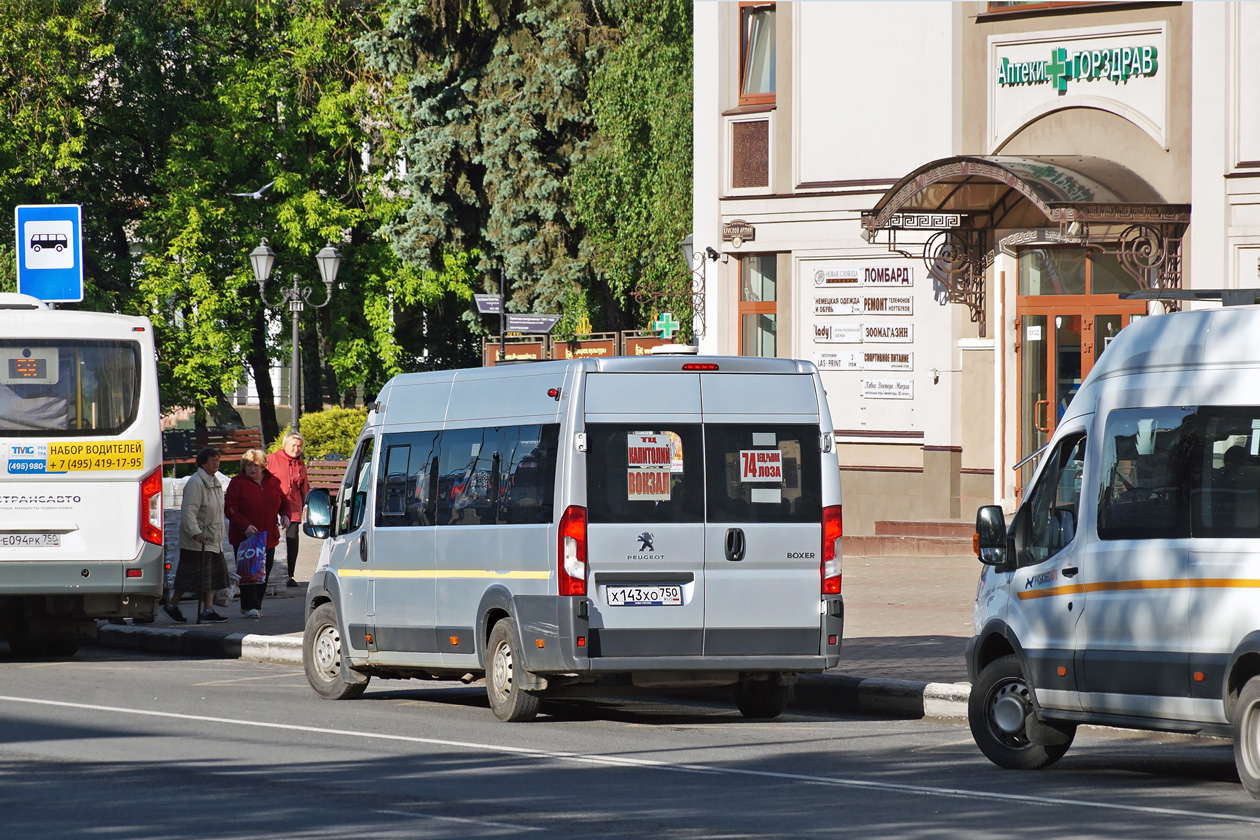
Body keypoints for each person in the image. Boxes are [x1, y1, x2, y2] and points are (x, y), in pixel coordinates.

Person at [166, 447, 229, 623]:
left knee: (212, 576)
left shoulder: (214, 481)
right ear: (203, 463)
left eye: (217, 459)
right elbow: (188, 512)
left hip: (213, 538)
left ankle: (208, 610)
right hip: (198, 539)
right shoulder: (196, 482)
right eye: (212, 460)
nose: (216, 463)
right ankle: (172, 605)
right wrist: (196, 532)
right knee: (188, 577)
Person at [224, 449, 287, 619]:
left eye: (256, 465)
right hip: (246, 537)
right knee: (249, 571)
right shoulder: (237, 483)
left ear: (263, 466)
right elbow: (230, 509)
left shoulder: (272, 481)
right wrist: (245, 526)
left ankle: (256, 604)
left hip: (268, 536)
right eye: (249, 465)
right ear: (244, 466)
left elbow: (283, 501)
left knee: (265, 570)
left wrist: (286, 515)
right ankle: (250, 606)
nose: (253, 469)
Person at [270, 431, 311, 587]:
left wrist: (307, 506)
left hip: (293, 507)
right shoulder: (272, 459)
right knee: (274, 540)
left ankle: (289, 575)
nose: (296, 449)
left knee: (292, 541)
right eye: (293, 445)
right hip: (274, 505)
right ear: (285, 445)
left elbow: (304, 488)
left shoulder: (300, 463)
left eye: (299, 446)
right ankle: (272, 572)